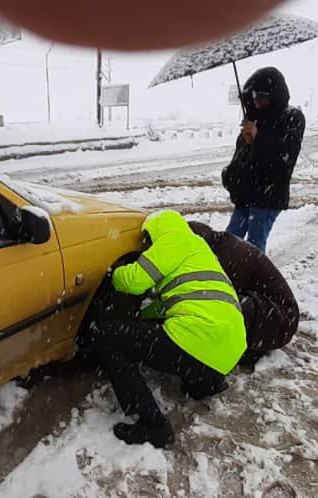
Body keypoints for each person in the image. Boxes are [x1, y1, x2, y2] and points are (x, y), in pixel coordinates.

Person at [90, 210, 246, 448]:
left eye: (146, 241)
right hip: (230, 348)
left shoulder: (171, 240)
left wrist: (112, 273)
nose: (145, 247)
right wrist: (142, 317)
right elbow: (179, 301)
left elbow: (133, 281)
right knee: (184, 338)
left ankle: (153, 426)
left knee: (109, 339)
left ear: (154, 231)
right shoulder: (198, 248)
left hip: (199, 338)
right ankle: (205, 383)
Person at [189, 222, 299, 370]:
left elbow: (224, 301)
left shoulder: (230, 258)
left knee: (221, 304)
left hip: (280, 322)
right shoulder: (222, 244)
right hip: (269, 314)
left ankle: (245, 350)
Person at [222, 67, 306, 250]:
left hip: (268, 196)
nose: (257, 102)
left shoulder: (292, 117)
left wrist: (258, 137)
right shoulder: (253, 120)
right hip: (246, 195)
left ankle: (252, 279)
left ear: (274, 96)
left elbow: (285, 157)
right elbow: (240, 160)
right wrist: (230, 175)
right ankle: (227, 278)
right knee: (229, 243)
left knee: (253, 248)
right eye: (254, 97)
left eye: (262, 97)